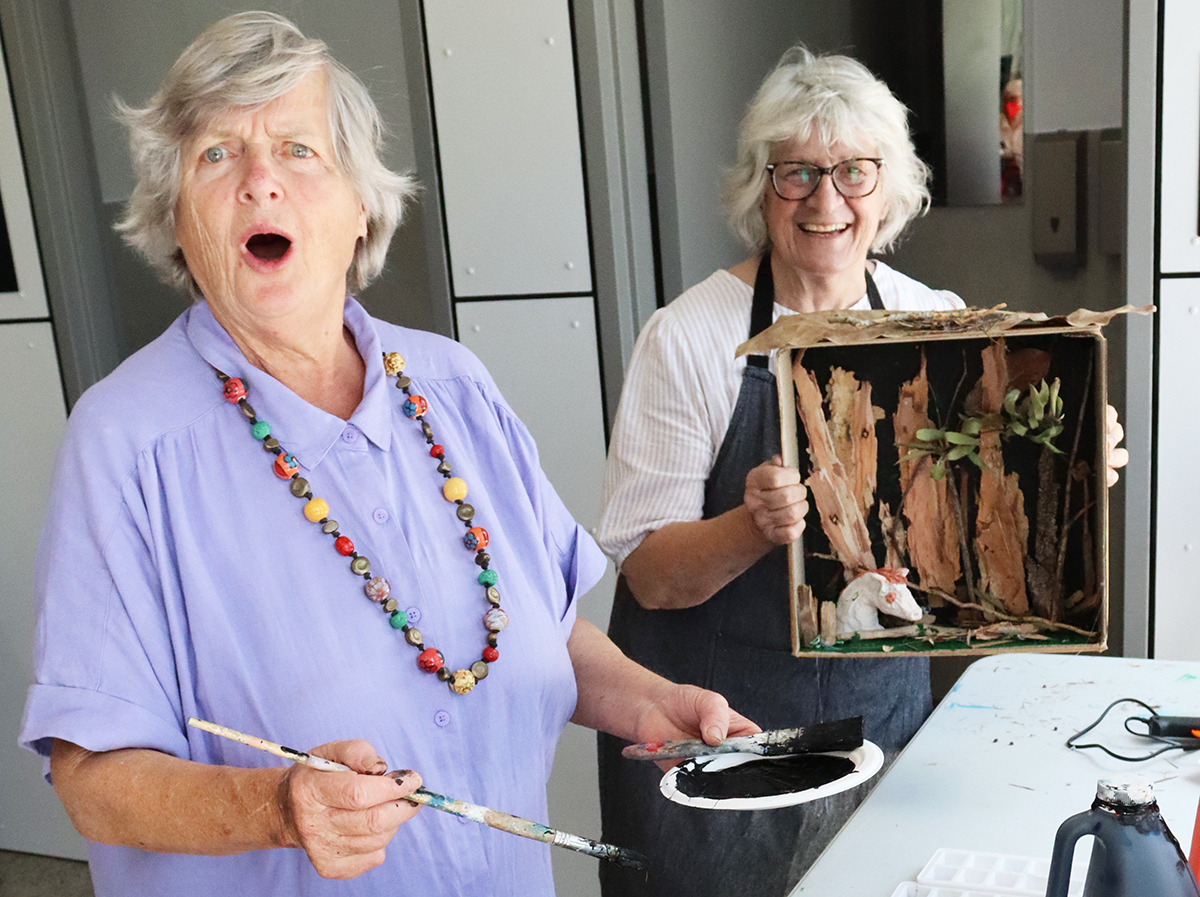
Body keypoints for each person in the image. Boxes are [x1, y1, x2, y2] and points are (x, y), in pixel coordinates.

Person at [18, 13, 754, 897]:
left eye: (299, 150)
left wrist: (645, 699)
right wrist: (279, 807)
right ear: (176, 218)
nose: (260, 183)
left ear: (360, 201)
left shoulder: (452, 383)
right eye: (216, 156)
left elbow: (544, 627)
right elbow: (91, 777)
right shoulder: (127, 443)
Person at [595, 46, 1127, 897]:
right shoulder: (691, 338)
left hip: (882, 723)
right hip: (724, 741)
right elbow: (651, 577)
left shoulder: (937, 323)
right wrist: (751, 527)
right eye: (796, 172)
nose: (825, 199)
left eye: (853, 171)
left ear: (891, 187)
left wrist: (1064, 469)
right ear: (760, 187)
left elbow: (968, 525)